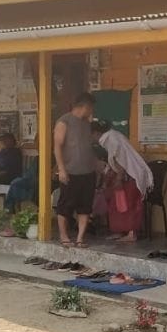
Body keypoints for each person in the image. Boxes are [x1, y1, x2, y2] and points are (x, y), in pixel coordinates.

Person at [92, 120, 154, 242]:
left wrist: (119, 178)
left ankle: (132, 234)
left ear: (95, 133)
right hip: (124, 176)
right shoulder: (109, 138)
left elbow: (120, 159)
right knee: (116, 205)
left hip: (130, 176)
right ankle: (120, 231)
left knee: (129, 205)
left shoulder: (111, 138)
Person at [54, 92, 97, 248]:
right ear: (85, 106)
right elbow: (57, 146)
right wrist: (61, 169)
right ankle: (64, 236)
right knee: (65, 205)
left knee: (85, 206)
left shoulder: (86, 123)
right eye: (91, 107)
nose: (92, 111)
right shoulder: (64, 121)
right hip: (70, 171)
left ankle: (80, 238)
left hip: (88, 171)